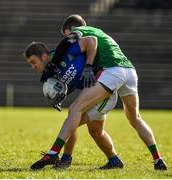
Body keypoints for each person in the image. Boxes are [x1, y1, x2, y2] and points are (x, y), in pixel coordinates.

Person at [27, 14, 167, 171]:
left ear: (69, 29)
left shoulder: (79, 33)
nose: (66, 38)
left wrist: (85, 66)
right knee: (131, 118)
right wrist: (62, 92)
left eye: (65, 34)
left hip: (111, 72)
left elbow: (77, 42)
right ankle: (156, 160)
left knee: (74, 113)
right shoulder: (96, 32)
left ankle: (56, 155)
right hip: (128, 71)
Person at [24, 41, 123, 170]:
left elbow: (91, 41)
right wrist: (59, 96)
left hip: (105, 92)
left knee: (71, 121)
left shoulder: (66, 52)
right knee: (96, 132)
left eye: (33, 62)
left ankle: (63, 159)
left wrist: (89, 66)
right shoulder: (51, 72)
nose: (33, 67)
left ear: (43, 56)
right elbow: (70, 83)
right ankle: (114, 161)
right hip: (93, 94)